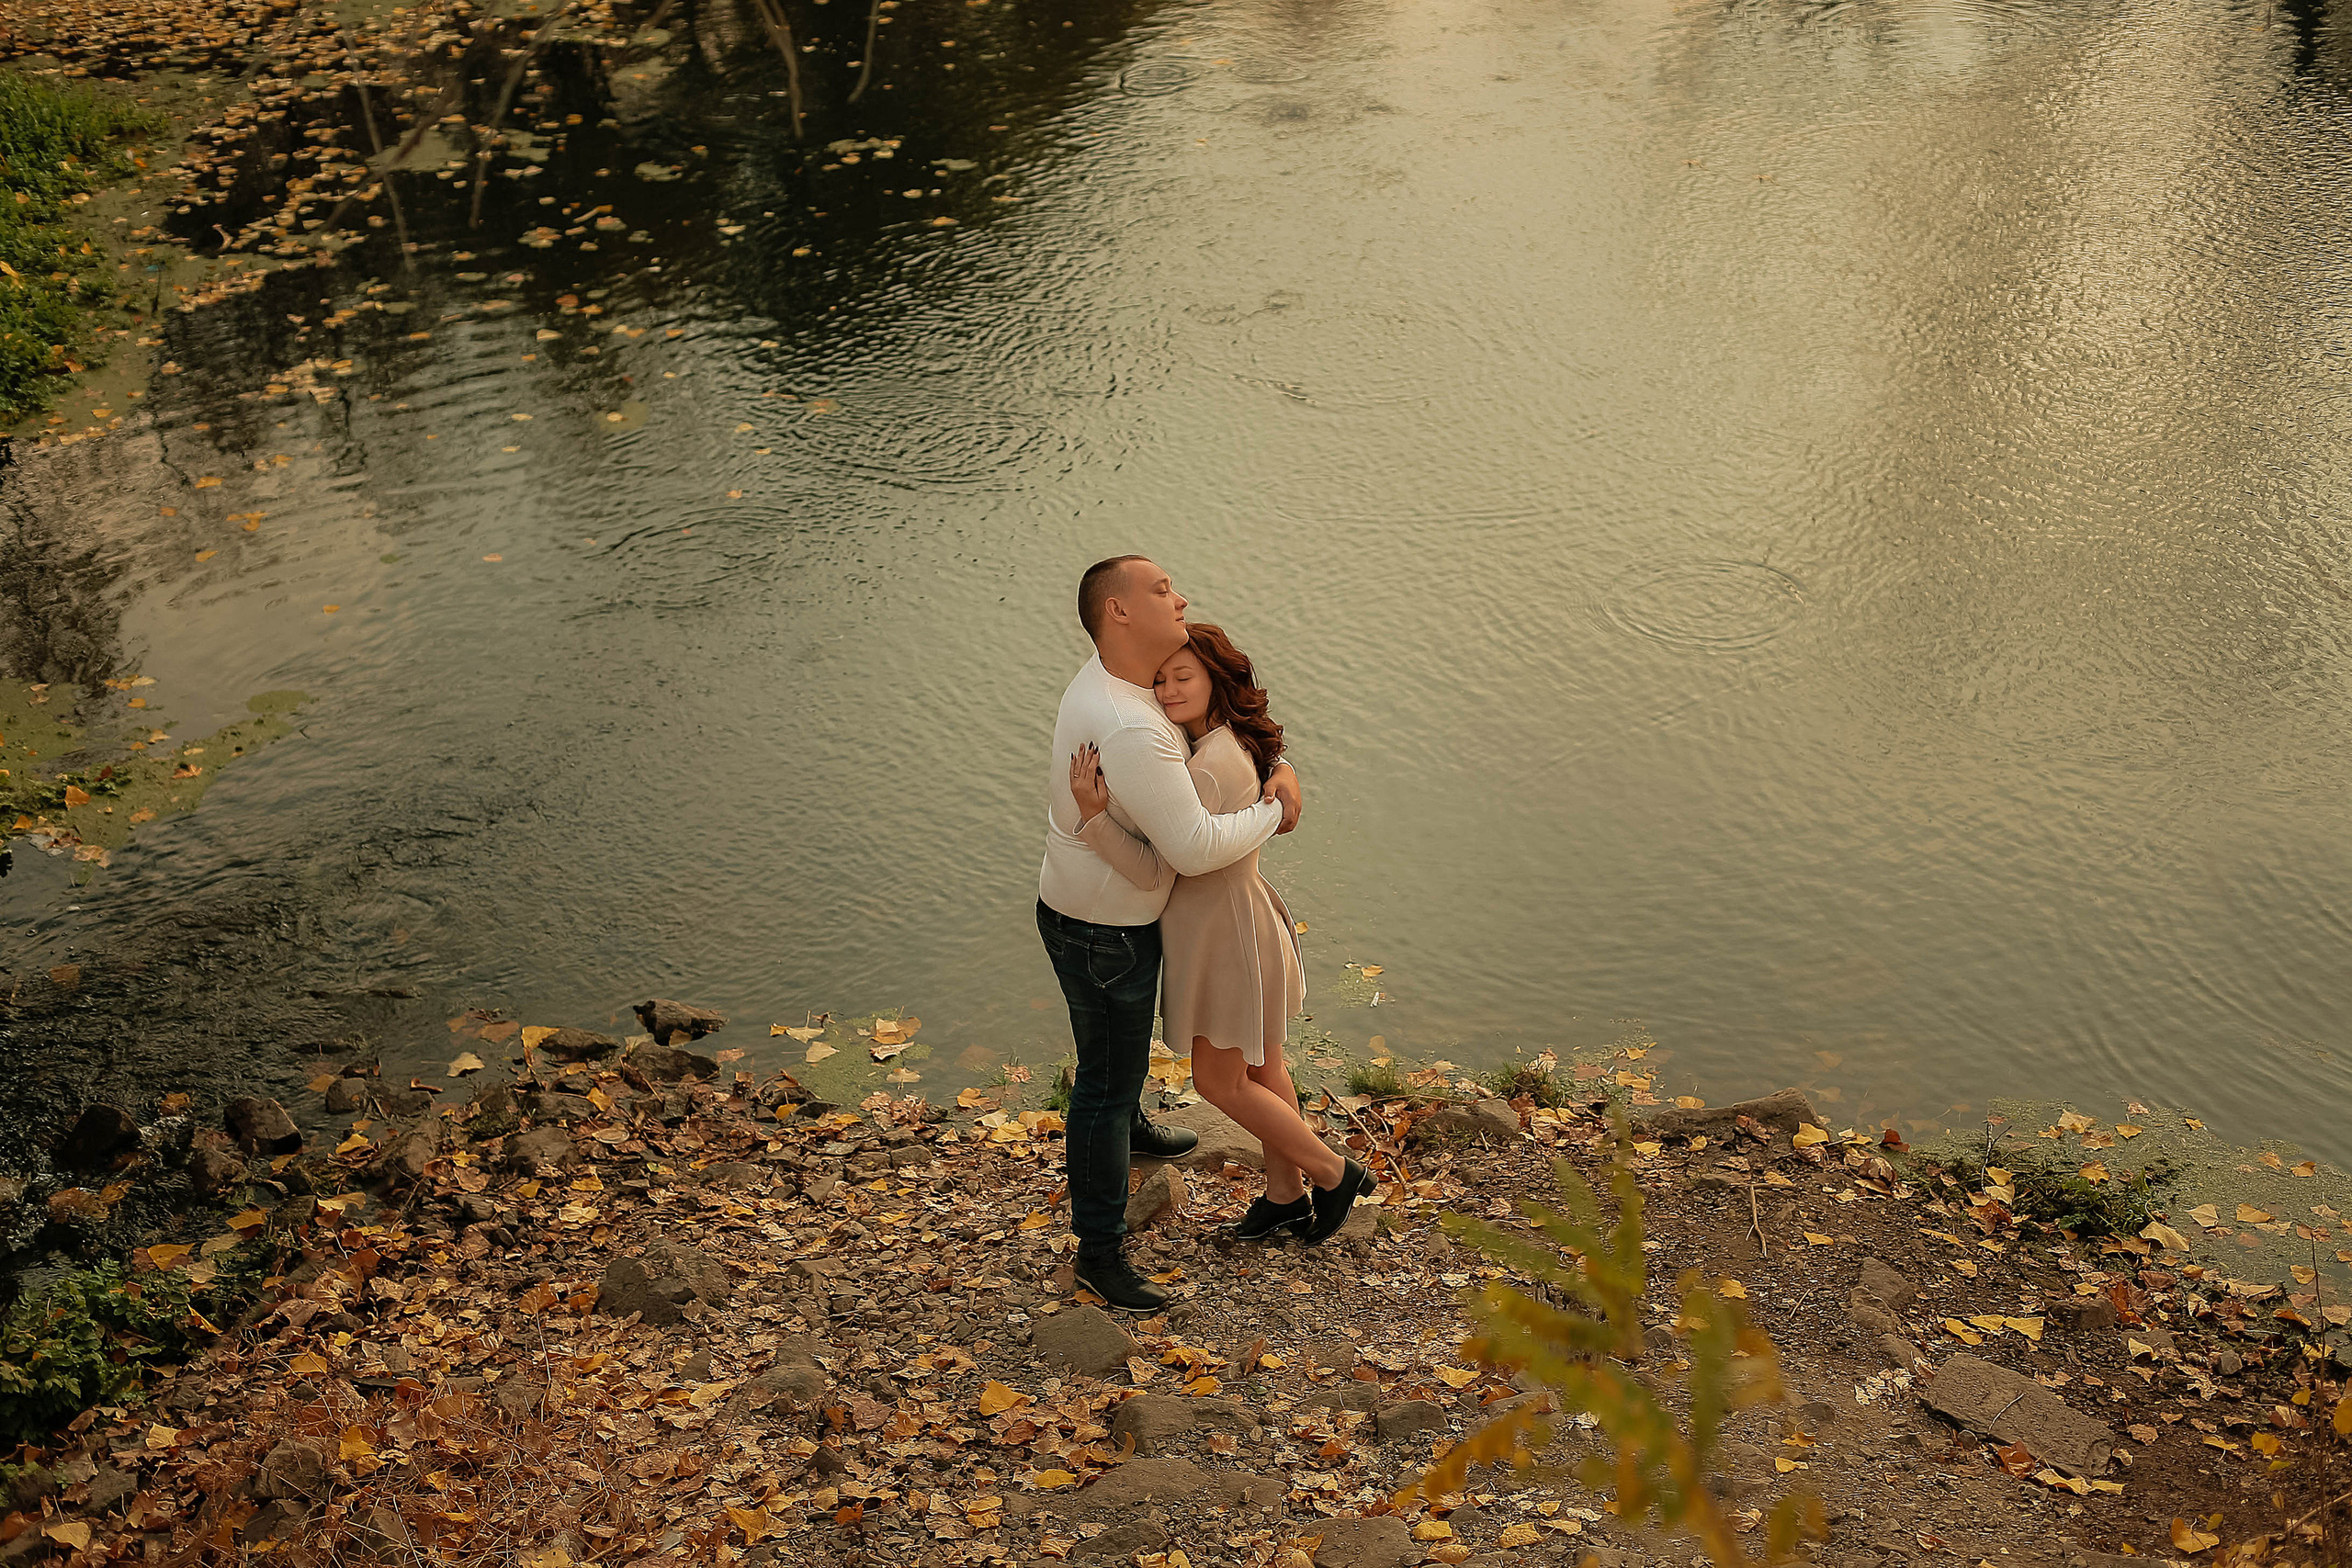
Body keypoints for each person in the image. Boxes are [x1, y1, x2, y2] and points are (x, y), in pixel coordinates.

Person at [1038, 556, 1303, 1312]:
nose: (1179, 596)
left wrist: (1278, 765)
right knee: (1103, 1082)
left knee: (1115, 1068)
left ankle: (1137, 1126)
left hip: (1092, 906)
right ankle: (1100, 1251)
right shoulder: (1128, 721)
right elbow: (1186, 852)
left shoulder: (1113, 679)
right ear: (1118, 611)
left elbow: (1221, 742)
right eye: (1161, 590)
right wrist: (1272, 813)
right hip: (1103, 926)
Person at [1070, 622, 1373, 1252]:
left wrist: (1095, 819)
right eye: (1160, 679)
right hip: (1244, 917)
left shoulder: (1210, 765)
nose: (1168, 688)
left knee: (1218, 1081)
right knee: (1264, 1065)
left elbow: (1159, 867)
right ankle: (1286, 1195)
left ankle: (1333, 1173)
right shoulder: (1226, 743)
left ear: (1216, 679)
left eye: (1184, 676)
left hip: (1222, 935)